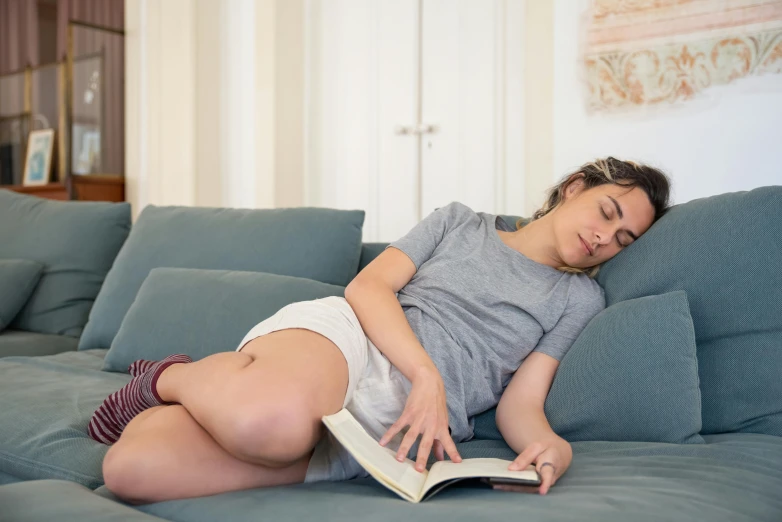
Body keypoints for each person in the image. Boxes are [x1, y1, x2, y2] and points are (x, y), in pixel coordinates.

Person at [88, 157, 671, 504]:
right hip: (351, 341)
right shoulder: (459, 222)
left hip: (396, 427)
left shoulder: (578, 296)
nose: (605, 238)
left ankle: (203, 395)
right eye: (607, 212)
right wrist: (425, 374)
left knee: (128, 470)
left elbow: (522, 402)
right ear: (575, 188)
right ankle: (172, 377)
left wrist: (552, 446)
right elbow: (367, 289)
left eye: (624, 240)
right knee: (271, 423)